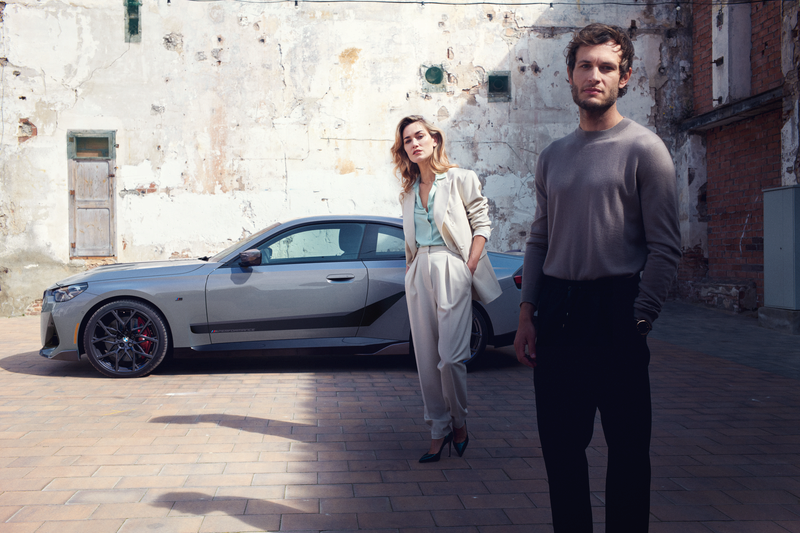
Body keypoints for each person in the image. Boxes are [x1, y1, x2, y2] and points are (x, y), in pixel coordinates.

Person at [513, 24, 681, 532]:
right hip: (558, 314)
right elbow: (540, 239)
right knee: (561, 450)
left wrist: (640, 317)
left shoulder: (645, 149)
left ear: (624, 77)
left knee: (629, 452)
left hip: (618, 310)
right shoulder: (552, 156)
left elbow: (666, 247)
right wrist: (527, 314)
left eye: (606, 67)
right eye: (585, 65)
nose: (594, 75)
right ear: (569, 76)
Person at [391, 115, 501, 463]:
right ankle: (438, 428)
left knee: (451, 358)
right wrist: (411, 267)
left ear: (435, 139)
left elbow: (482, 221)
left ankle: (460, 423)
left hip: (452, 264)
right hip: (419, 268)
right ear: (404, 150)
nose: (414, 144)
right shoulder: (408, 191)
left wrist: (469, 264)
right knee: (425, 358)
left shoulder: (459, 178)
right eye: (407, 140)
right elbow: (411, 236)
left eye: (419, 136)